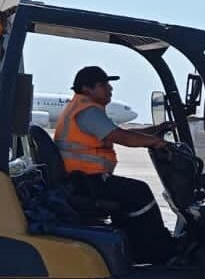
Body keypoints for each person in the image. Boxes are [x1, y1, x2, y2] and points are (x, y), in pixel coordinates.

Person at [53, 66, 175, 264]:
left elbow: (119, 131)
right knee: (140, 192)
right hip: (85, 181)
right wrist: (154, 141)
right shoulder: (88, 112)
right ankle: (158, 250)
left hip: (82, 179)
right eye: (103, 85)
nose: (110, 89)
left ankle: (136, 248)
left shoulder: (83, 108)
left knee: (127, 197)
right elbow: (121, 137)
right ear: (87, 88)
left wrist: (156, 130)